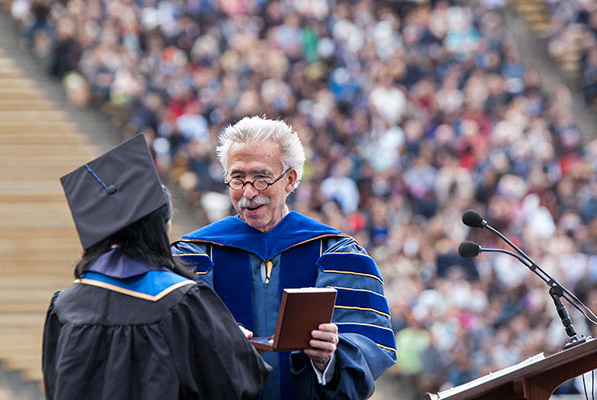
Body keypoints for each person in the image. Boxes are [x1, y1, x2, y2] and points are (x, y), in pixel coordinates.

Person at [172, 116, 397, 399]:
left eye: (262, 178)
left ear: (290, 179)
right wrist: (209, 346)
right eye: (238, 178)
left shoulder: (336, 254)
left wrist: (327, 359)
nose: (249, 192)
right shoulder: (194, 255)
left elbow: (367, 345)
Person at [42, 133, 271, 400]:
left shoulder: (64, 306)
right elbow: (234, 384)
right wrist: (231, 343)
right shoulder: (180, 301)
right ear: (163, 228)